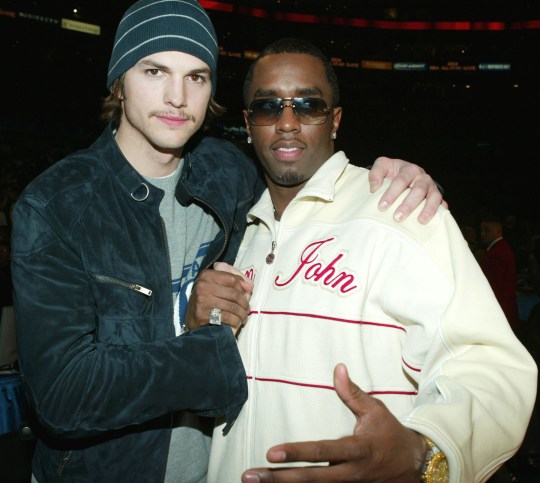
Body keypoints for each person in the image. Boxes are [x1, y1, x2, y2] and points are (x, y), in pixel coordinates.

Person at [10, 2, 443, 482]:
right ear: (119, 81)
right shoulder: (56, 204)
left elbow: (303, 188)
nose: (176, 96)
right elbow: (62, 396)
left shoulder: (228, 172)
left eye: (196, 77)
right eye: (155, 71)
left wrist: (387, 179)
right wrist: (209, 347)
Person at [195, 38, 538, 482]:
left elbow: (488, 363)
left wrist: (425, 453)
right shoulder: (239, 234)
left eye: (308, 106)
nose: (286, 123)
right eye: (267, 108)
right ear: (247, 123)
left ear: (335, 119)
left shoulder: (399, 209)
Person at [480, 215, 520, 331]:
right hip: (507, 309)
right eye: (481, 230)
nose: (482, 234)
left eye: (486, 230)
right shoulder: (502, 249)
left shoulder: (495, 254)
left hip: (499, 313)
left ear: (498, 231)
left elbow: (493, 288)